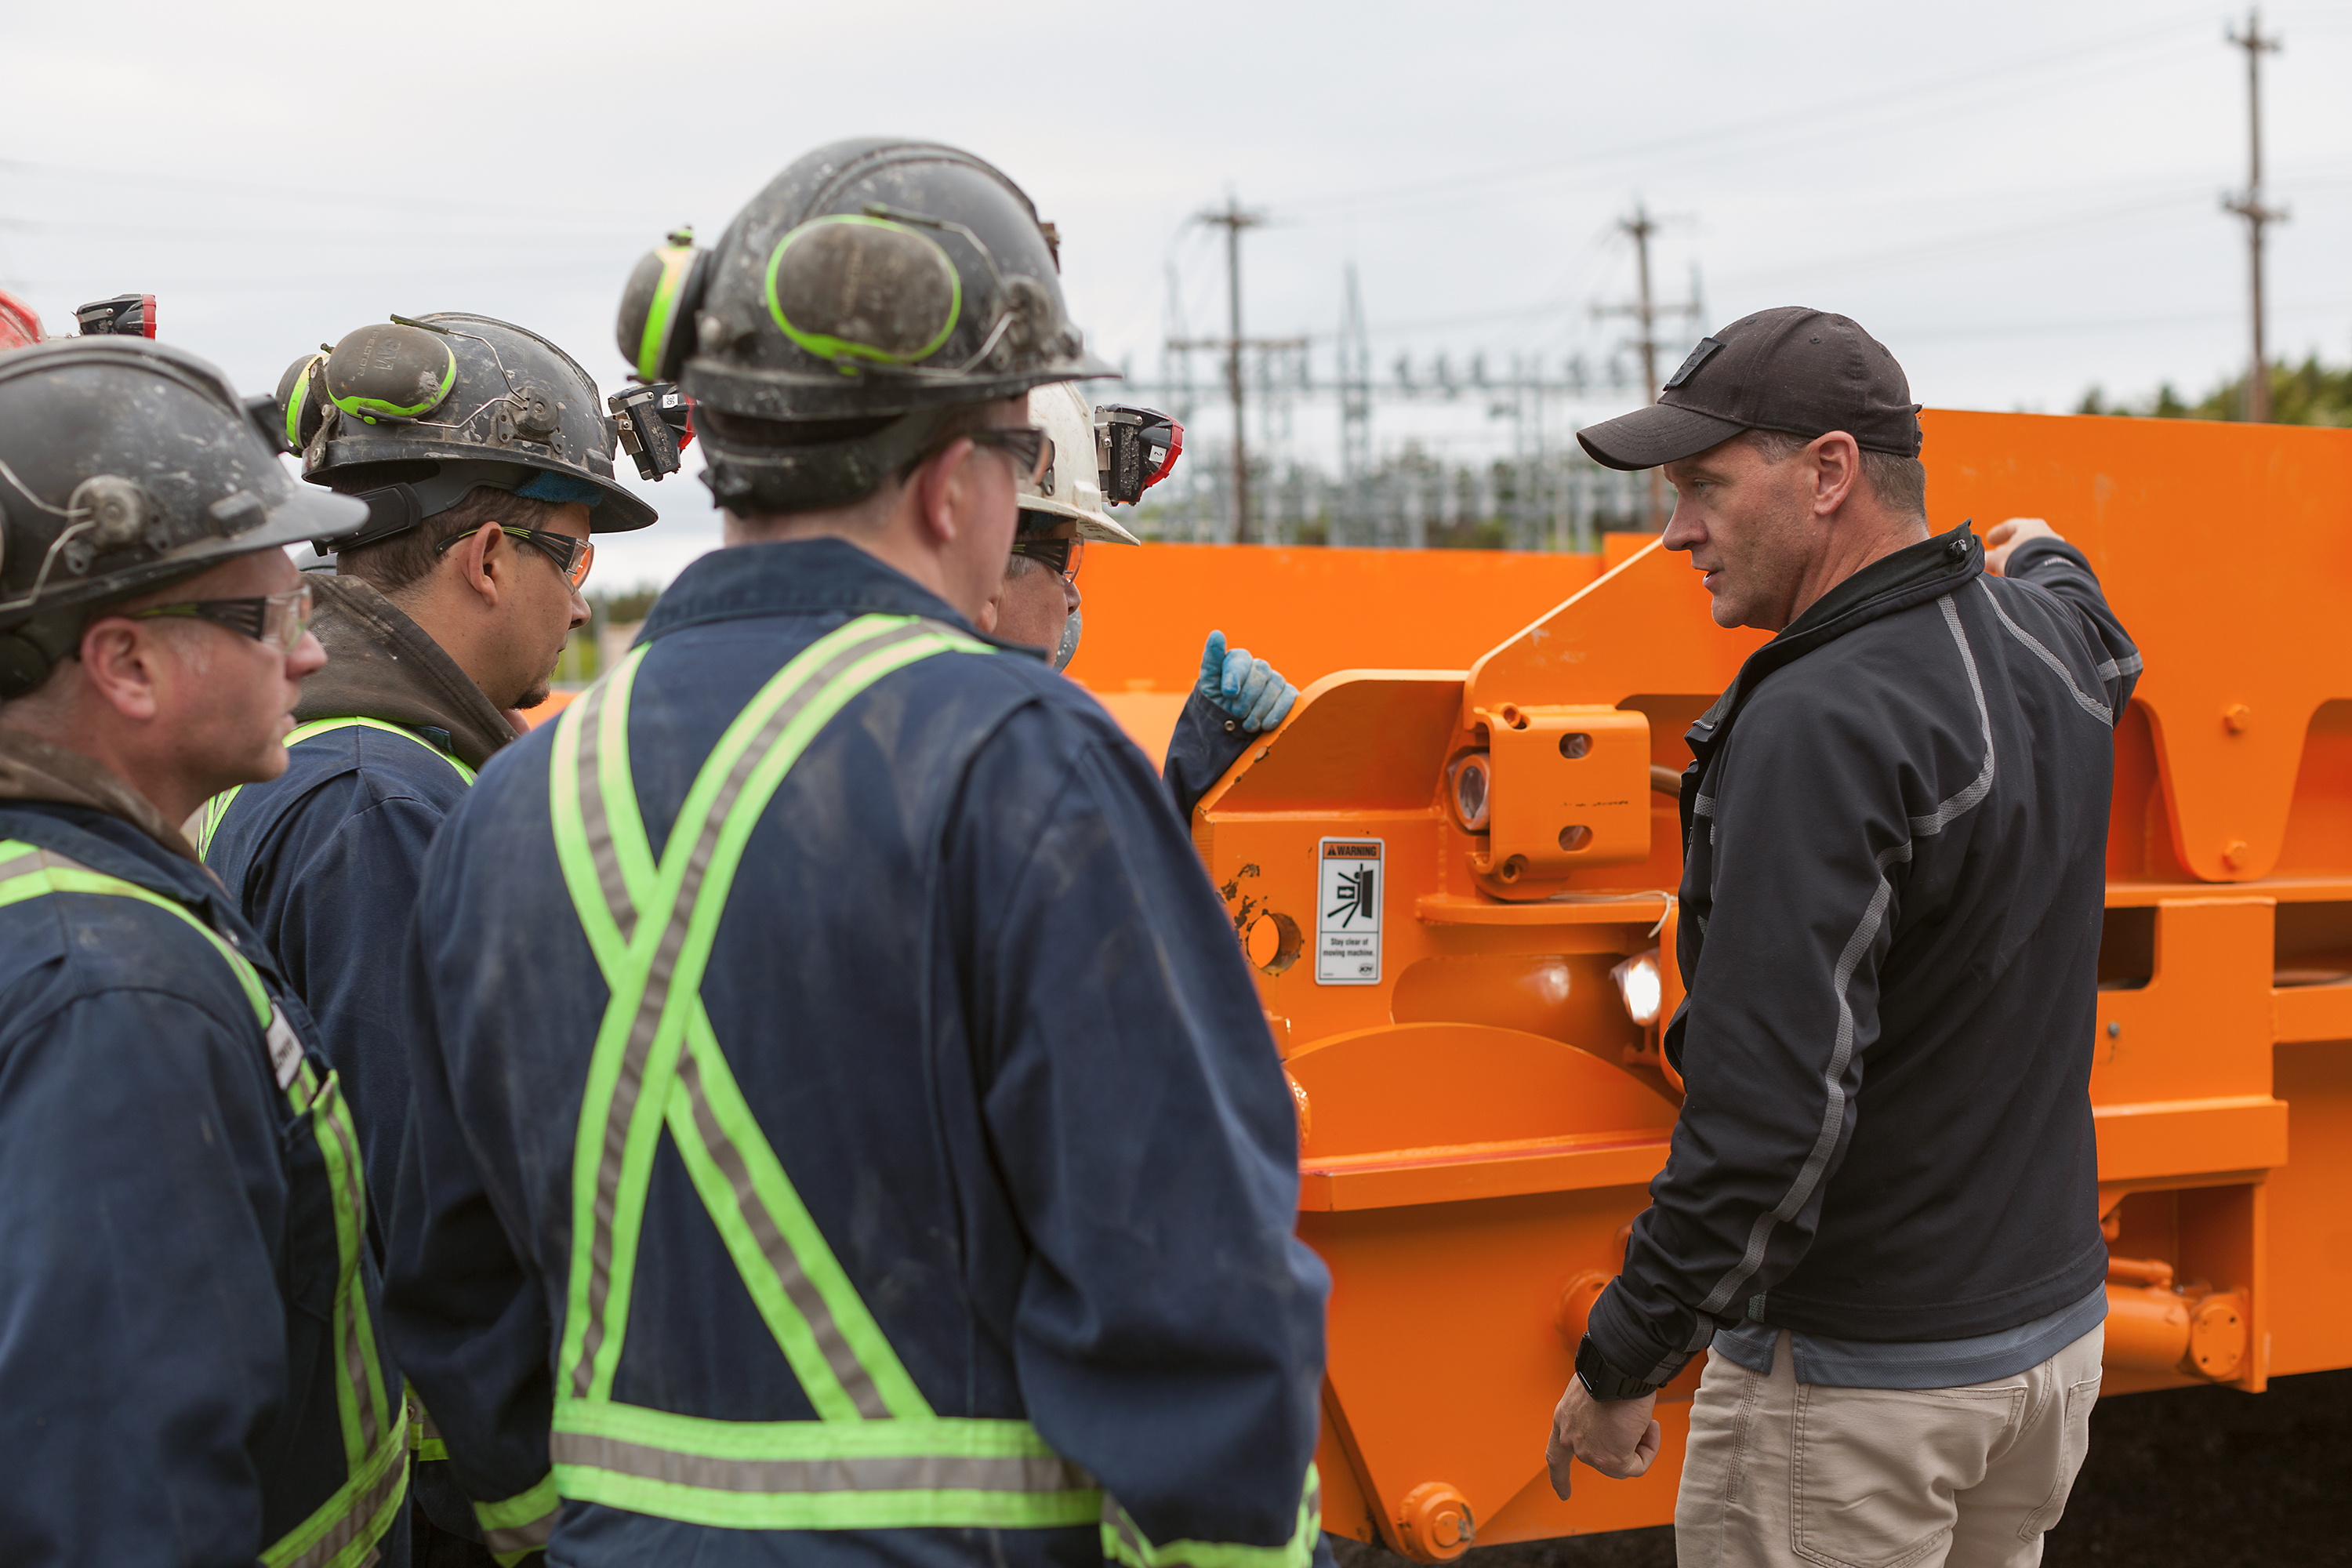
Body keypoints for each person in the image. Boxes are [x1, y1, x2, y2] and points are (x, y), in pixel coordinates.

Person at [382, 137, 1330, 1567]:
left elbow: (452, 1278)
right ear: (957, 483)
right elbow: (1196, 1305)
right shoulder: (1026, 764)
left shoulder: (512, 798)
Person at [1544, 307, 2140, 1568]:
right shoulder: (2047, 643)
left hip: (1864, 1391)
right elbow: (2091, 616)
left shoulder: (1817, 725)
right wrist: (2047, 551)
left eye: (1704, 486)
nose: (1674, 531)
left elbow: (1767, 1125)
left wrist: (1623, 1361)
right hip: (2041, 1357)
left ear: (1828, 473)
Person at [194, 312, 667, 1565]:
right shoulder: (378, 804)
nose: (580, 597)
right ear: (485, 558)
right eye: (568, 555)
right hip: (444, 1494)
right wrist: (527, 1510)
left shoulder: (324, 750)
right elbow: (426, 1207)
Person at [0, 337, 411, 1565]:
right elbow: (116, 1507)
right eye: (271, 613)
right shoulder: (114, 990)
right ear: (125, 661)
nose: (311, 652)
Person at [979, 379, 1298, 818]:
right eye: (1064, 560)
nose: (1072, 597)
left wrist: (1206, 757)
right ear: (984, 573)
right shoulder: (1022, 757)